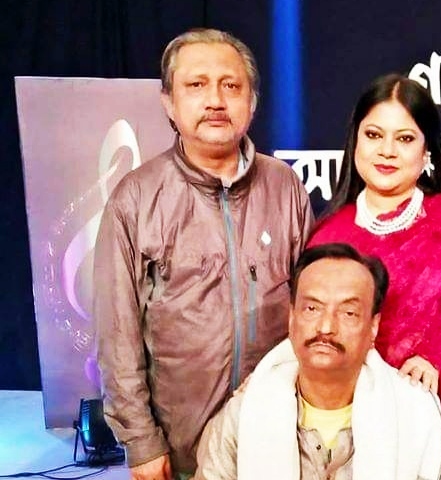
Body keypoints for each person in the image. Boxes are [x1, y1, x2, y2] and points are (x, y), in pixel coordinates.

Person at [93, 28, 314, 479]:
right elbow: (117, 334)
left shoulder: (285, 187)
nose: (215, 100)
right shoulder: (136, 199)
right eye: (196, 85)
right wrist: (141, 441)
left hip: (274, 436)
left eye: (231, 86)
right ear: (169, 103)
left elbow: (310, 306)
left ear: (252, 102)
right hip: (180, 447)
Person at [308, 74, 441, 480]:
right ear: (355, 141)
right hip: (351, 437)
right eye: (374, 135)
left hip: (439, 432)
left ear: (427, 151)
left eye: (405, 139)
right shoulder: (328, 237)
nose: (387, 151)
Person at [194, 243, 441, 480]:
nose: (326, 327)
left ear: (373, 326)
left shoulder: (415, 413)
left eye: (348, 312)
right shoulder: (247, 409)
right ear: (292, 318)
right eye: (312, 308)